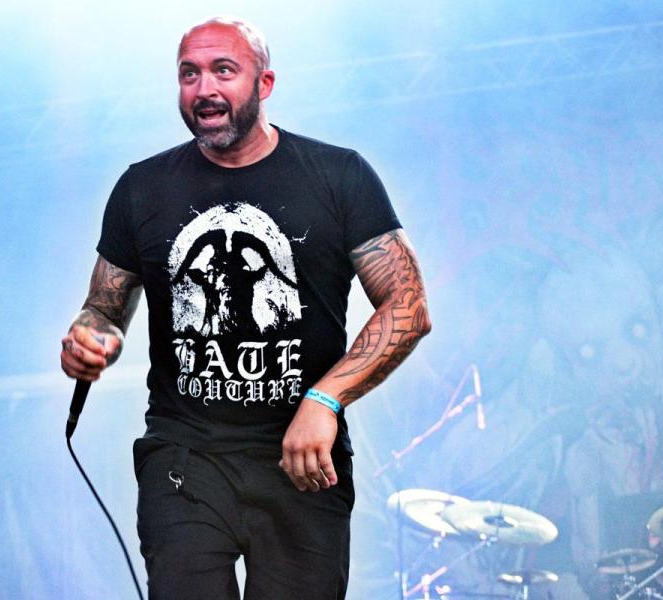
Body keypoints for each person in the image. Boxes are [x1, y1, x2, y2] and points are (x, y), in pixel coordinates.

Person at [60, 16, 431, 600]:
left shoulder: (338, 176)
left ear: (265, 83)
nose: (204, 88)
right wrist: (90, 339)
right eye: (189, 74)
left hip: (302, 461)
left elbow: (407, 306)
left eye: (223, 71)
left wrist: (325, 399)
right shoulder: (142, 188)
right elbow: (102, 310)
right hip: (184, 459)